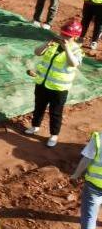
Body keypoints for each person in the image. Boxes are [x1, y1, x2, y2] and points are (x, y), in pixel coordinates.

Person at [25, 19, 84, 147]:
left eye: (68, 36)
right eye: (63, 34)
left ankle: (54, 135)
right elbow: (37, 52)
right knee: (39, 107)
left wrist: (66, 48)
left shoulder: (76, 51)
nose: (64, 37)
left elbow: (73, 63)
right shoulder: (53, 44)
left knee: (55, 112)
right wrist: (48, 43)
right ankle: (35, 126)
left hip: (59, 88)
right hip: (42, 83)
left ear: (75, 37)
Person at [63, 130, 102, 229]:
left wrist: (75, 175)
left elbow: (86, 160)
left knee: (89, 215)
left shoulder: (98, 138)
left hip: (95, 185)